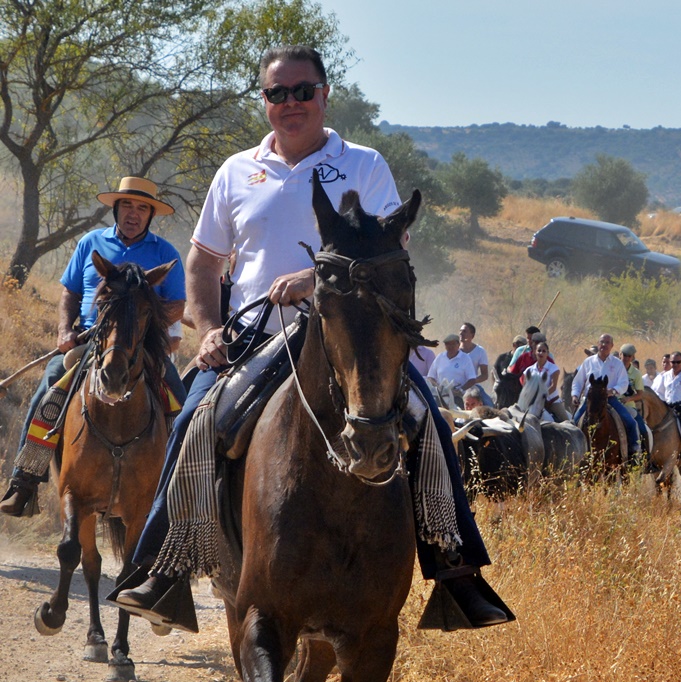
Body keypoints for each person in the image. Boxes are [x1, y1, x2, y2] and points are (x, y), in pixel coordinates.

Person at [114, 44, 507, 630]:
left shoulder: (364, 164)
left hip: (349, 341)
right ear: (265, 101)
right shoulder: (236, 171)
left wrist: (315, 276)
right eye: (277, 93)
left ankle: (457, 572)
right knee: (195, 419)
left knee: (426, 421)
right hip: (255, 338)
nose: (290, 102)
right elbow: (203, 263)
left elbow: (388, 248)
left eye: (302, 91)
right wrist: (209, 328)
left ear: (324, 95)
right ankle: (162, 569)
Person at [0, 176, 187, 517]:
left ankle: (183, 490)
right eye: (127, 205)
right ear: (116, 209)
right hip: (89, 341)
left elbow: (177, 305)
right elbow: (70, 291)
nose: (133, 213)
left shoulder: (165, 253)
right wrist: (64, 331)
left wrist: (142, 320)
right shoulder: (91, 243)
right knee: (49, 387)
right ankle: (24, 480)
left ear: (150, 215)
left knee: (181, 403)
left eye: (142, 208)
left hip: (141, 345)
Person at [570, 334, 641, 459]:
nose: (604, 345)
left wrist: (613, 391)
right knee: (574, 423)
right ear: (598, 344)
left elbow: (624, 383)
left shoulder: (617, 363)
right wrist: (575, 395)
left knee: (630, 422)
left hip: (610, 399)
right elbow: (578, 381)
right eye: (602, 342)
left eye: (607, 342)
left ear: (612, 345)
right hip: (590, 400)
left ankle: (633, 452)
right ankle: (572, 454)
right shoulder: (588, 362)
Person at [522, 337, 568, 422]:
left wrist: (540, 396)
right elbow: (526, 387)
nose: (541, 353)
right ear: (535, 352)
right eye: (539, 350)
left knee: (567, 422)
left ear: (547, 353)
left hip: (552, 402)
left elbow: (553, 386)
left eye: (544, 351)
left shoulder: (554, 368)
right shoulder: (529, 370)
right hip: (533, 403)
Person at [427, 333, 478, 399]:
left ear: (458, 345)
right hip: (441, 396)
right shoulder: (440, 357)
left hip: (458, 396)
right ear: (445, 346)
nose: (450, 346)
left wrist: (460, 390)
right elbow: (430, 377)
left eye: (453, 344)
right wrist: (438, 387)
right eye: (448, 344)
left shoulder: (465, 358)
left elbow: (472, 379)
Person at [458, 322, 493, 406]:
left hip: (473, 387)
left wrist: (472, 381)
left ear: (472, 335)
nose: (461, 333)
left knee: (489, 405)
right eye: (460, 331)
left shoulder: (480, 351)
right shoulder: (454, 351)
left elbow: (484, 375)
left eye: (464, 331)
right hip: (456, 387)